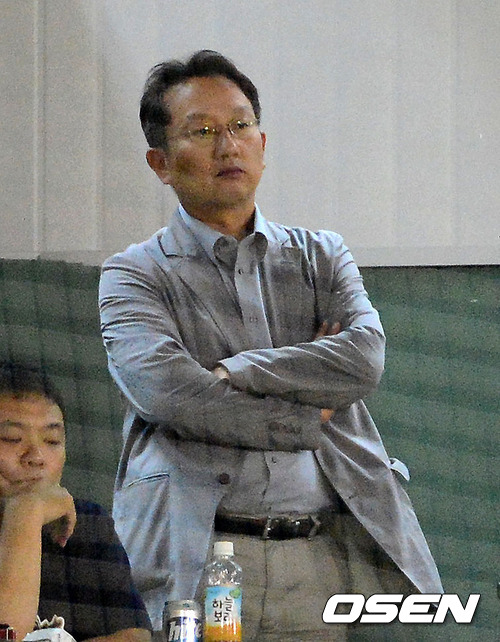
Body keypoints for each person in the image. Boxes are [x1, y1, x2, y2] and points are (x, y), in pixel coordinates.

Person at [98, 50, 443, 640]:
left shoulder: (321, 254)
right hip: (196, 556)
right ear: (160, 162)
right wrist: (309, 415)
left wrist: (236, 371)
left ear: (263, 143)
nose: (227, 146)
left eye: (240, 125)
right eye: (202, 131)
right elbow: (170, 395)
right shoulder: (133, 274)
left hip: (318, 557)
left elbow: (363, 358)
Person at [0, 363, 152, 642]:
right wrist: (26, 512)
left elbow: (135, 636)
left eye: (52, 441)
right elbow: (8, 632)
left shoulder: (87, 521)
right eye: (12, 439)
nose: (36, 457)